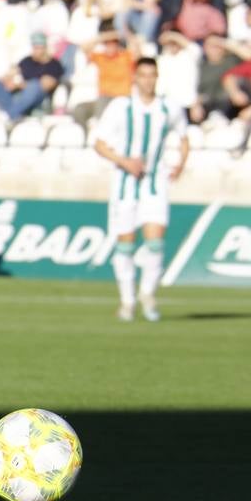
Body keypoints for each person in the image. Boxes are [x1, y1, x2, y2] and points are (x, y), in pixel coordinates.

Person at [92, 57, 190, 323]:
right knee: (125, 246)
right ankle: (127, 301)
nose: (148, 80)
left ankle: (147, 293)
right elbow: (99, 144)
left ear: (157, 78)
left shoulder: (169, 108)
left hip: (155, 183)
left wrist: (181, 164)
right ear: (135, 78)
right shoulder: (120, 107)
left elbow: (183, 137)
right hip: (125, 183)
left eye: (152, 75)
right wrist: (124, 161)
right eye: (143, 75)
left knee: (156, 242)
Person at [0, 32, 63, 122]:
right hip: (14, 97)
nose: (34, 50)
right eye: (33, 47)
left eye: (37, 47)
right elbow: (10, 75)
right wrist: (9, 81)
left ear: (44, 48)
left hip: (34, 102)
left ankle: (9, 116)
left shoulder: (54, 65)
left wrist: (20, 85)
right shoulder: (27, 61)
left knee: (34, 85)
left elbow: (45, 86)